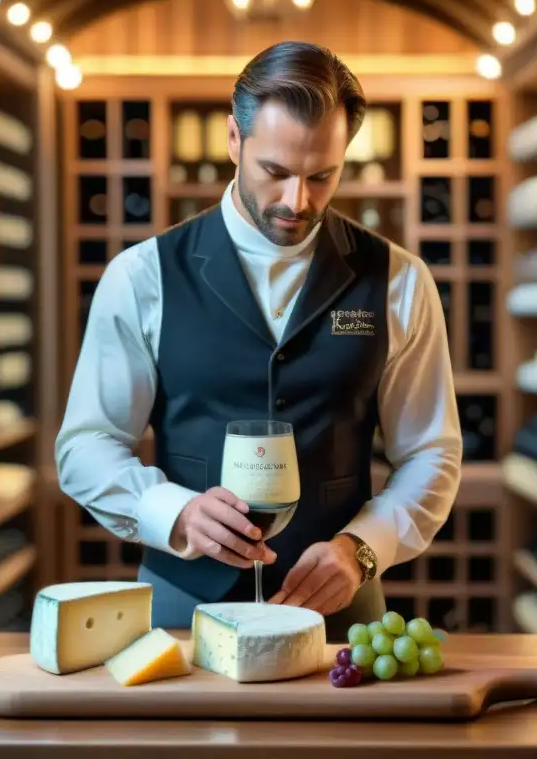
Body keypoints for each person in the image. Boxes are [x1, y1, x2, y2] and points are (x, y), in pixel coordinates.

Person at [55, 40, 463, 641]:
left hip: (340, 618)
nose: (297, 201)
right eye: (275, 172)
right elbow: (86, 445)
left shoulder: (399, 280)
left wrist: (362, 550)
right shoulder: (142, 276)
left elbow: (431, 451)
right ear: (232, 141)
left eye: (322, 176)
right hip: (182, 612)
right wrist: (176, 512)